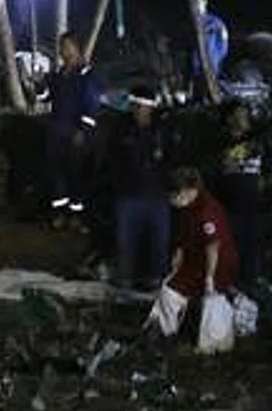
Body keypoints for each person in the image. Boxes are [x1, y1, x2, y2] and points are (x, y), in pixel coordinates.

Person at [108, 87, 172, 289]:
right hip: (128, 194)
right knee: (125, 240)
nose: (136, 110)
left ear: (149, 107)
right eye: (134, 106)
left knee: (158, 241)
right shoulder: (121, 127)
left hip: (157, 195)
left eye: (141, 106)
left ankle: (155, 279)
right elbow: (113, 158)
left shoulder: (162, 129)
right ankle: (125, 278)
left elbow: (172, 158)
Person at [45, 32, 103, 226]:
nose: (63, 51)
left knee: (76, 174)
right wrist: (37, 85)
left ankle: (77, 214)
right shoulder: (59, 75)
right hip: (56, 133)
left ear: (77, 48)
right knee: (56, 174)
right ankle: (60, 212)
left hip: (75, 134)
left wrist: (83, 131)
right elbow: (46, 97)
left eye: (67, 46)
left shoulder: (87, 75)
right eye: (61, 47)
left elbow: (92, 106)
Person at [165, 165, 239, 302]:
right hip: (195, 262)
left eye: (174, 196)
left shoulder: (206, 211)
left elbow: (212, 247)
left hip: (217, 266)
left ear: (188, 190)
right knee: (170, 290)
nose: (172, 201)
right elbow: (182, 242)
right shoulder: (187, 208)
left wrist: (209, 278)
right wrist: (175, 267)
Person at [214, 103, 266, 285]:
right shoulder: (221, 141)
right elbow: (228, 157)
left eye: (245, 114)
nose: (245, 118)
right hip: (230, 208)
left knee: (252, 252)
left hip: (253, 208)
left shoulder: (255, 142)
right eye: (240, 115)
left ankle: (249, 289)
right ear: (229, 119)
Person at [195, 0, 230, 100]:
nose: (196, 4)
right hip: (195, 69)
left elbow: (224, 45)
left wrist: (215, 59)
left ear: (205, 2)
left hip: (210, 68)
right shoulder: (191, 21)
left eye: (198, 1)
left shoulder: (216, 22)